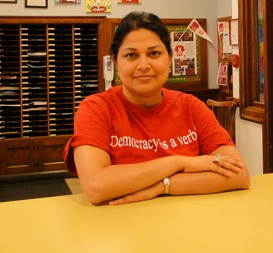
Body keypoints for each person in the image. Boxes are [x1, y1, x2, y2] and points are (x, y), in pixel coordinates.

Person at [63, 11, 250, 205]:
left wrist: (163, 186)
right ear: (116, 62)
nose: (143, 65)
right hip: (120, 228)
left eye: (154, 53)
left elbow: (239, 175)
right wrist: (178, 162)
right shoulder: (96, 109)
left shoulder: (191, 106)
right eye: (131, 55)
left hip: (188, 225)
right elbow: (97, 186)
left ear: (169, 59)